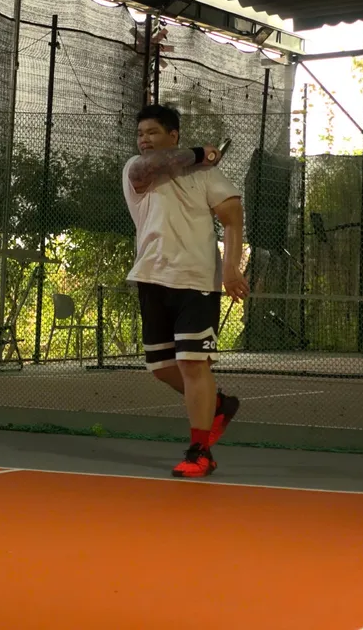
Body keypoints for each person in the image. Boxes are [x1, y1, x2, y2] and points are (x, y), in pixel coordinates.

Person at [122, 104, 249, 478]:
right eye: (140, 133)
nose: (144, 140)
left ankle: (200, 451)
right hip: (151, 277)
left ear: (173, 135)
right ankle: (218, 405)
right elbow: (153, 165)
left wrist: (231, 267)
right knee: (162, 368)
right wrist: (199, 153)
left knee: (193, 363)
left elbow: (233, 216)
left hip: (196, 279)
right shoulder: (136, 169)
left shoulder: (206, 174)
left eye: (153, 133)